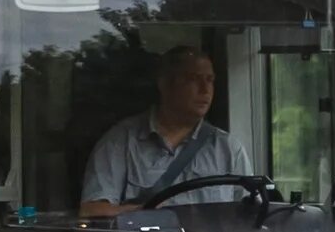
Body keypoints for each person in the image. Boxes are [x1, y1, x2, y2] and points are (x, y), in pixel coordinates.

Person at [80, 43, 257, 215]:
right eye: (193, 79)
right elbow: (92, 210)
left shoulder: (229, 149)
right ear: (164, 84)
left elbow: (252, 215)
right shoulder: (121, 142)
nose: (205, 90)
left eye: (209, 80)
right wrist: (139, 214)